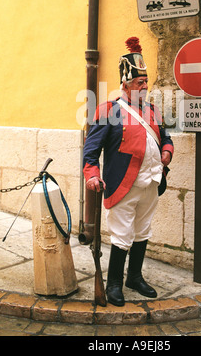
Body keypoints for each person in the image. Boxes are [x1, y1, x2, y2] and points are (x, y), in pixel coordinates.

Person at [83, 37, 174, 306]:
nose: (145, 87)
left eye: (146, 82)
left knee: (143, 231)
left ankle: (134, 277)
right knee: (122, 236)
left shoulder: (154, 111)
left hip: (152, 183)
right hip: (123, 183)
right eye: (139, 83)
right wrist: (92, 175)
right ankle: (113, 284)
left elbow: (165, 137)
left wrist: (167, 151)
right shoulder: (108, 110)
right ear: (126, 84)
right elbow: (91, 151)